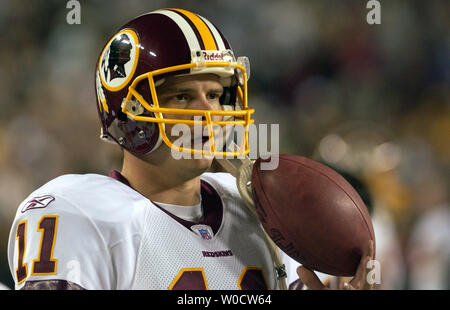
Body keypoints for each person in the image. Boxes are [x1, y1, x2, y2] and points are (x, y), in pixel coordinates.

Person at [7, 8, 372, 290]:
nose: (207, 113)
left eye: (214, 95)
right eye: (182, 96)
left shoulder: (261, 208)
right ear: (128, 112)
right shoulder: (77, 211)